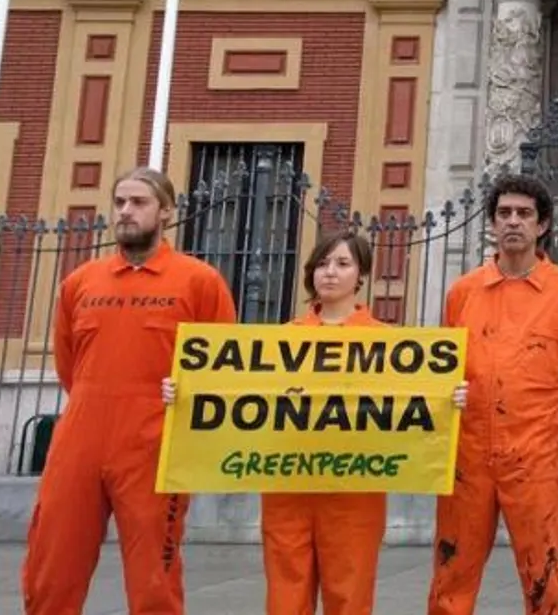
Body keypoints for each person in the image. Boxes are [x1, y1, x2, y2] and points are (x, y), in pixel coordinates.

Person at [160, 229, 449, 615]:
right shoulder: (282, 340)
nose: (330, 272)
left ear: (360, 275)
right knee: (285, 596)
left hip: (354, 491)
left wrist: (449, 399)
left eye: (343, 264)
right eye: (323, 264)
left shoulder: (387, 343)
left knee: (349, 596)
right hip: (287, 488)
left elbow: (412, 404)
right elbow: (235, 395)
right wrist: (184, 393)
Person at [20, 167, 238, 615]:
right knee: (51, 566)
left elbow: (222, 365)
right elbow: (68, 364)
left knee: (154, 579)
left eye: (138, 202)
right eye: (119, 202)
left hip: (156, 443)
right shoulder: (80, 282)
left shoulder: (200, 281)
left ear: (166, 212)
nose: (125, 211)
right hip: (80, 435)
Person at [428, 173, 558, 615]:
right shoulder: (463, 292)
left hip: (537, 453)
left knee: (548, 572)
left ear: (542, 225)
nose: (513, 222)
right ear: (492, 223)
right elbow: (447, 368)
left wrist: (546, 425)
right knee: (452, 573)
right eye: (504, 213)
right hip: (468, 454)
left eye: (524, 214)